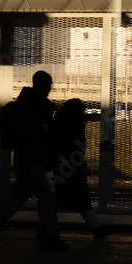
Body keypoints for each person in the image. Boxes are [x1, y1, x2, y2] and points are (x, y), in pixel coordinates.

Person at [0, 71, 70, 250]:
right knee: (47, 194)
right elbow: (25, 128)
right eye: (48, 84)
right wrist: (40, 128)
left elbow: (45, 135)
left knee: (19, 196)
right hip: (31, 159)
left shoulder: (34, 102)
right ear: (40, 84)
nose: (50, 88)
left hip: (30, 158)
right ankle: (51, 237)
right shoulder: (28, 102)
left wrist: (56, 152)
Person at [50, 98, 111, 240]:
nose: (84, 111)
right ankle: (97, 228)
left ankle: (46, 229)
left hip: (62, 167)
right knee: (82, 200)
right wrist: (82, 166)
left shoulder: (60, 122)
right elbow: (74, 148)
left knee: (56, 200)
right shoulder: (74, 125)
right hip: (73, 168)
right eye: (82, 109)